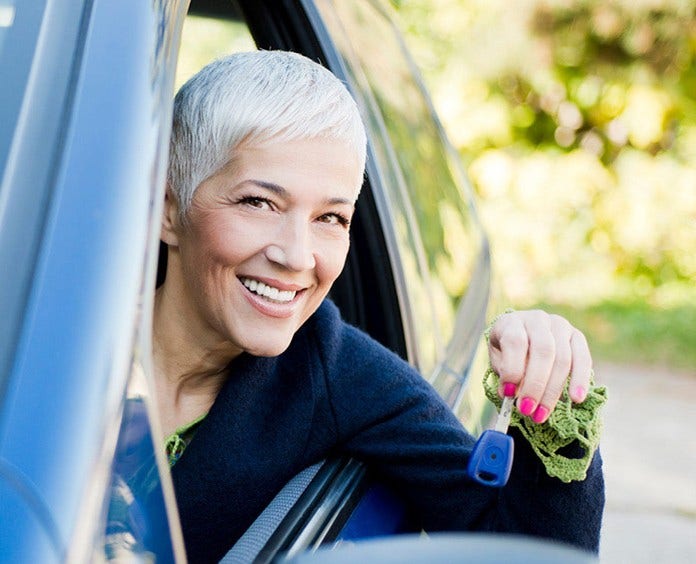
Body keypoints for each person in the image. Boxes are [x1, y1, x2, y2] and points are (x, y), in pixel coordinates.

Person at [153, 50, 604, 563]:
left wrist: (552, 398)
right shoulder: (52, 318)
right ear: (168, 208)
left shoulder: (339, 374)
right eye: (259, 203)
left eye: (332, 218)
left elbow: (516, 550)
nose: (298, 255)